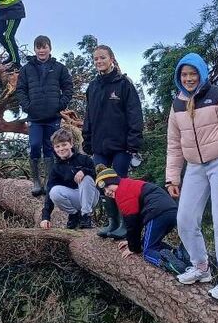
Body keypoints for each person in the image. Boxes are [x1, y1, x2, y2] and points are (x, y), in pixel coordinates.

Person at [165, 52, 218, 301]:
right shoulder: (177, 103)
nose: (189, 78)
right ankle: (201, 267)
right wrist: (172, 178)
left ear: (201, 73)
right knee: (185, 219)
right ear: (179, 77)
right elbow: (174, 144)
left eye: (193, 73)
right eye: (184, 74)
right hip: (194, 167)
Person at [82, 44, 143, 238]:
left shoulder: (124, 84)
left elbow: (135, 115)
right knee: (103, 184)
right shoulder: (92, 87)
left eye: (103, 58)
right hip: (100, 147)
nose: (99, 61)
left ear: (111, 59)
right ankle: (112, 223)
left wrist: (133, 142)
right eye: (96, 59)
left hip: (121, 147)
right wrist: (87, 140)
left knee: (119, 183)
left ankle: (126, 224)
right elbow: (88, 116)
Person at [95, 165, 182, 271]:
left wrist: (133, 247)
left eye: (108, 187)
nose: (107, 192)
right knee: (153, 243)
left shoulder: (123, 192)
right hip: (171, 211)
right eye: (104, 190)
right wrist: (133, 241)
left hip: (157, 213)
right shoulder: (129, 184)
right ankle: (179, 255)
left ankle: (170, 265)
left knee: (148, 251)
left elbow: (132, 224)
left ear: (115, 181)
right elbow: (137, 219)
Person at [16, 35, 73, 196]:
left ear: (50, 48)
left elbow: (68, 87)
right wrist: (27, 107)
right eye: (38, 47)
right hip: (34, 118)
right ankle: (36, 181)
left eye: (44, 47)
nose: (42, 50)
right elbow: (20, 90)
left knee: (51, 148)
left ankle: (49, 181)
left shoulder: (59, 68)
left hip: (53, 118)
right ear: (34, 50)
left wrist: (60, 105)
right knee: (34, 145)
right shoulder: (26, 69)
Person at [39, 127, 97, 230]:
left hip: (91, 197)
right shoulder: (56, 169)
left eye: (64, 144)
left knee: (86, 178)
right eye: (57, 146)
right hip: (74, 198)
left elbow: (97, 175)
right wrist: (45, 217)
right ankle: (74, 215)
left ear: (71, 144)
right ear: (54, 148)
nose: (61, 149)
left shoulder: (85, 159)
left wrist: (84, 171)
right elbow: (49, 193)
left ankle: (86, 216)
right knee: (54, 191)